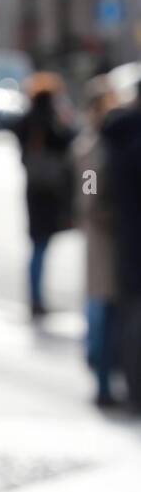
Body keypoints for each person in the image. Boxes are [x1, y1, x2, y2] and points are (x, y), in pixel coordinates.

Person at [72, 76, 122, 407]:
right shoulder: (92, 148)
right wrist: (103, 213)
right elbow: (88, 197)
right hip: (102, 242)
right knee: (101, 310)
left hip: (106, 241)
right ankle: (101, 378)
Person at [11, 72, 77, 318]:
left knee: (37, 245)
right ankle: (36, 299)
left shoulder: (26, 119)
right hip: (49, 191)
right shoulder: (50, 119)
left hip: (33, 187)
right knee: (41, 245)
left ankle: (34, 296)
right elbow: (68, 142)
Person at [100, 80, 141, 413]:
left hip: (123, 240)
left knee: (126, 317)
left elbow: (93, 188)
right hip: (123, 240)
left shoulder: (115, 136)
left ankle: (126, 386)